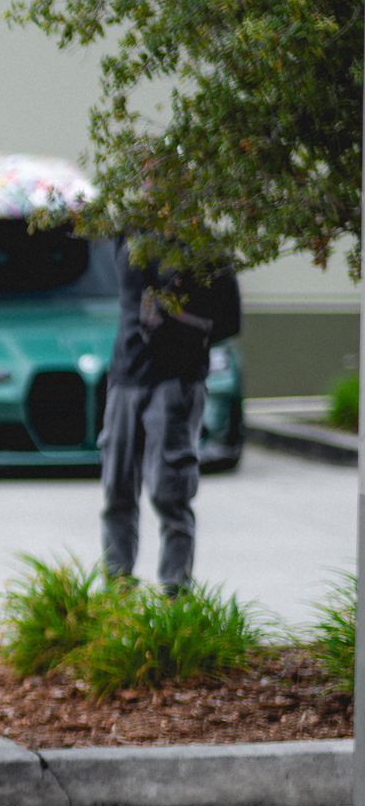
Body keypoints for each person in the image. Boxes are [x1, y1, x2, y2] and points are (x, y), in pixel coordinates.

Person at [102, 250, 239, 595]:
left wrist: (177, 317)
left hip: (177, 380)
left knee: (171, 495)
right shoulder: (128, 234)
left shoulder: (203, 245)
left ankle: (175, 598)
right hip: (126, 378)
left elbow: (230, 322)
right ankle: (117, 592)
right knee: (116, 490)